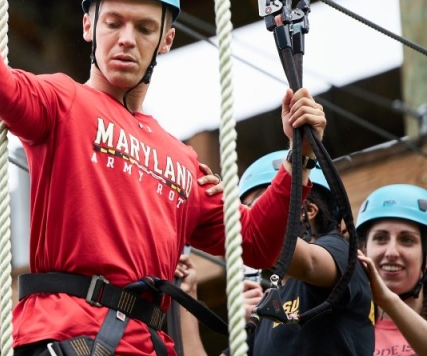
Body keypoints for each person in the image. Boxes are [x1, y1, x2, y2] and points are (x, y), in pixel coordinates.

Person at [0, 0, 326, 356]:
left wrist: (297, 158)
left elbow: (256, 243)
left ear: (166, 40)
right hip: (68, 334)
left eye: (145, 28)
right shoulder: (62, 101)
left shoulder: (183, 160)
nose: (127, 40)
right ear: (88, 27)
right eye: (113, 22)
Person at [175, 152, 375, 356]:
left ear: (310, 210)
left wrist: (223, 215)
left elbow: (309, 263)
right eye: (250, 211)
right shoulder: (266, 310)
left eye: (260, 208)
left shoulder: (339, 252)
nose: (252, 219)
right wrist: (185, 294)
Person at [357, 184, 427, 355]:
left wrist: (388, 301)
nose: (392, 252)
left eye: (407, 240)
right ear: (364, 250)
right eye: (380, 238)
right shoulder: (346, 324)